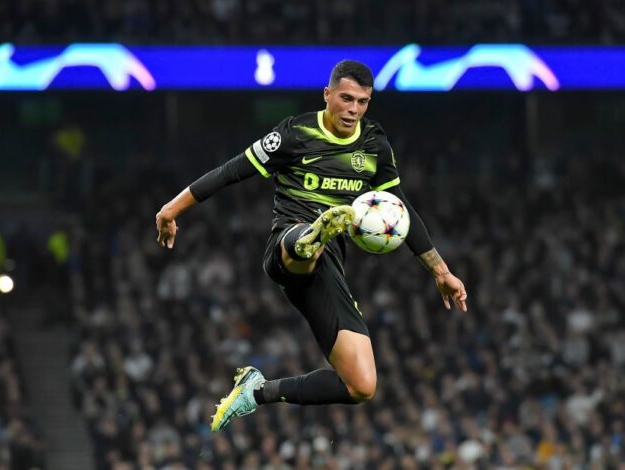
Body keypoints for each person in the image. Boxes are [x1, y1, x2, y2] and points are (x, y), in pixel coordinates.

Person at [155, 60, 468, 432]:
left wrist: (441, 271)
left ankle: (257, 392)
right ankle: (315, 234)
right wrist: (171, 209)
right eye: (346, 98)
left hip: (328, 271)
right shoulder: (294, 134)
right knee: (305, 243)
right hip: (285, 246)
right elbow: (231, 171)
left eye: (363, 102)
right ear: (328, 94)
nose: (353, 109)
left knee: (362, 385)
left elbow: (400, 209)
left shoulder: (374, 145)